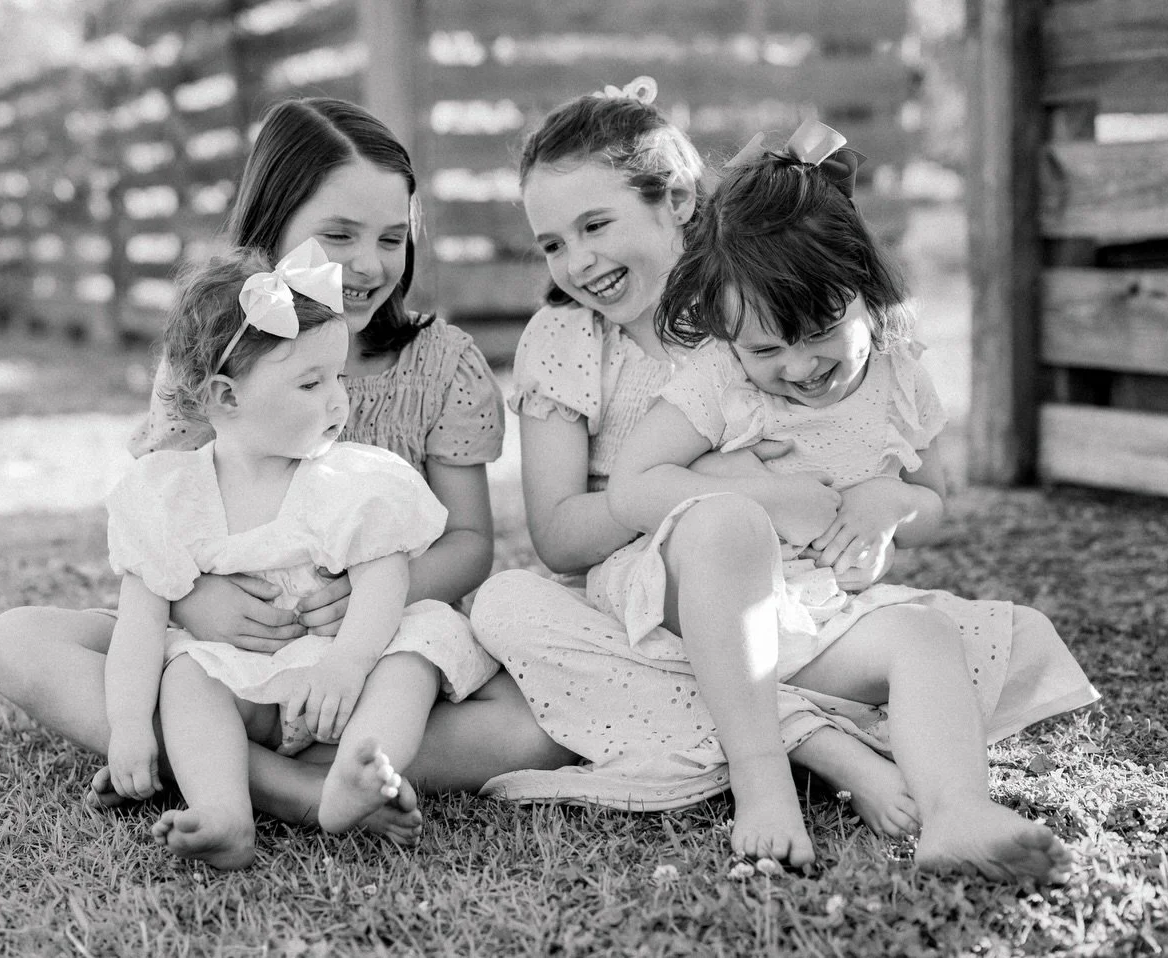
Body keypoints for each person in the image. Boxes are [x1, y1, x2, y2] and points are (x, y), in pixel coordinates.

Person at [468, 85, 1096, 875]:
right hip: (653, 589)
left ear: (679, 202)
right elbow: (565, 534)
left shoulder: (751, 324)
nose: (577, 261)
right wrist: (736, 485)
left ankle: (955, 809)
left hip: (802, 605)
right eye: (552, 243)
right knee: (549, 591)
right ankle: (802, 760)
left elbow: (923, 493)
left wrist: (887, 509)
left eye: (595, 225)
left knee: (930, 637)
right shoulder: (627, 352)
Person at [0, 97, 573, 842]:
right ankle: (284, 784)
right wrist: (198, 604)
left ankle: (224, 762)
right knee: (16, 640)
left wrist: (360, 606)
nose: (367, 264)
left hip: (367, 650)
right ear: (272, 227)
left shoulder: (440, 362)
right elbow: (168, 521)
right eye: (337, 235)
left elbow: (469, 543)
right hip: (223, 645)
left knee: (532, 730)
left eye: (392, 237)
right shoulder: (217, 358)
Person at [105, 240, 499, 867]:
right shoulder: (168, 494)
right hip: (250, 681)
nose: (338, 400)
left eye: (337, 377)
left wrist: (346, 664)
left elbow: (384, 583)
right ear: (226, 398)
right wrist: (127, 726)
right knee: (185, 676)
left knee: (413, 655)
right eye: (311, 383)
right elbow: (138, 627)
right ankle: (225, 811)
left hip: (350, 670)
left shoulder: (352, 478)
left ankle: (356, 776)